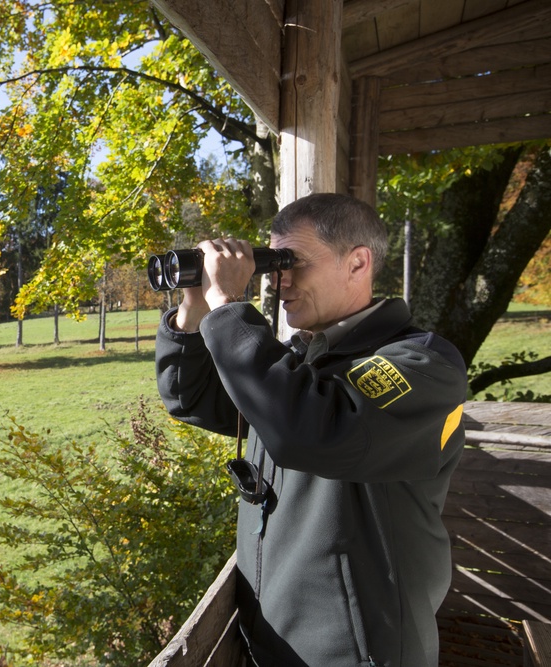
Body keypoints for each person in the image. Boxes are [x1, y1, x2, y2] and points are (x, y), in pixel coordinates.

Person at [155, 193, 467, 666]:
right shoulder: (297, 361)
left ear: (357, 263)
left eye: (293, 262)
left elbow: (315, 431)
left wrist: (228, 307)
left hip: (357, 650)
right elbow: (192, 397)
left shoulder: (424, 363)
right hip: (271, 637)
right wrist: (196, 308)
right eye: (273, 263)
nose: (279, 280)